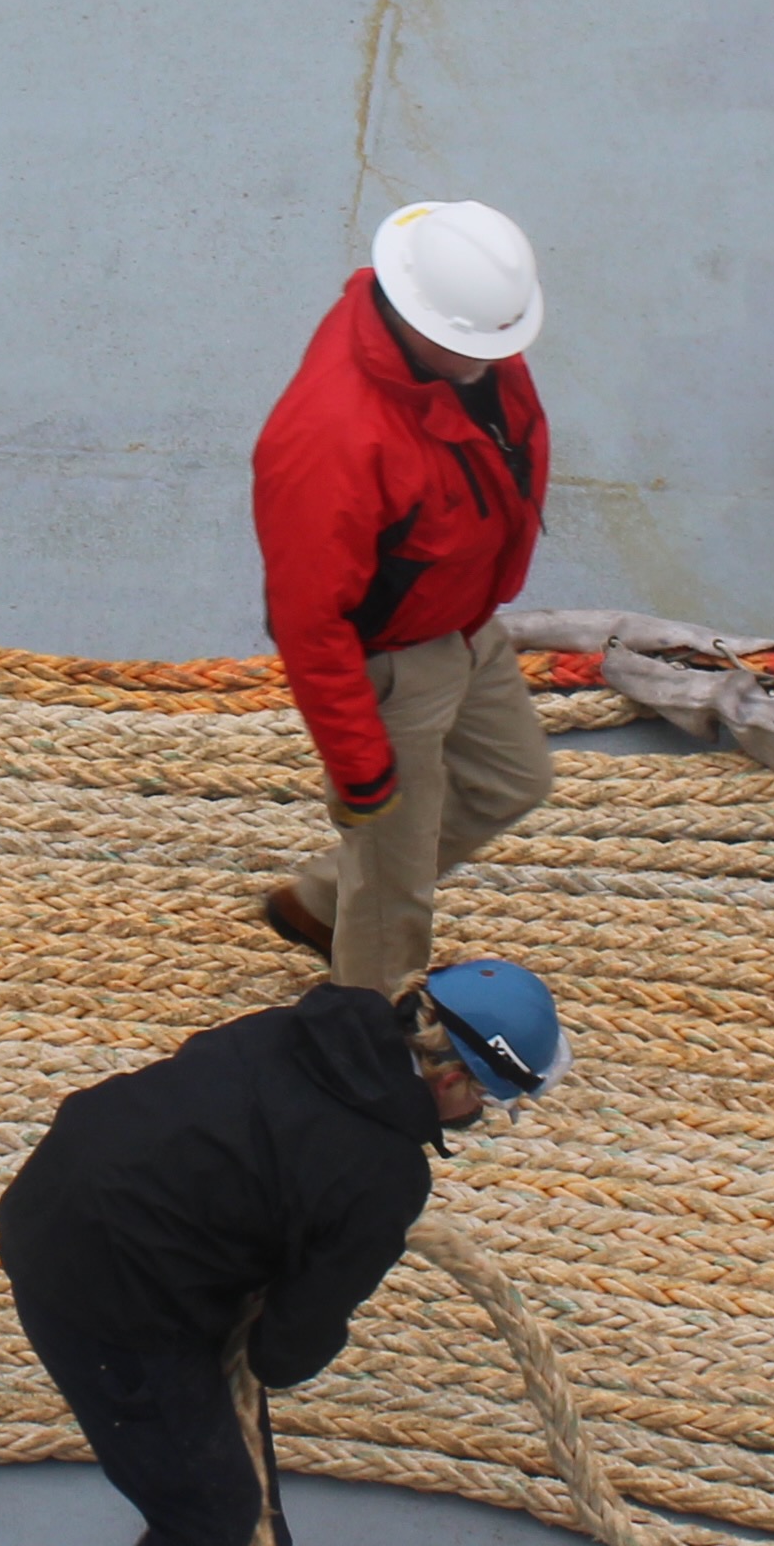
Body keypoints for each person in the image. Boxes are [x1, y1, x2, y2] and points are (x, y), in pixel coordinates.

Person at [0, 960, 563, 1546]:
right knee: (208, 1509)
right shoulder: (381, 1175)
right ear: (453, 1080)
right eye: (492, 1101)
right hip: (100, 1293)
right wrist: (271, 1299)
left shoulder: (310, 1027)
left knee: (227, 1416)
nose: (484, 1115)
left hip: (69, 1197)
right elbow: (286, 1348)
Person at [247, 200, 553, 990]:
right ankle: (365, 1033)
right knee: (395, 882)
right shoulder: (331, 440)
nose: (488, 361)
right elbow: (308, 622)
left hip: (462, 624)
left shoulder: (463, 352)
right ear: (415, 313)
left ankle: (319, 902)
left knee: (514, 781)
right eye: (469, 344)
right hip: (392, 668)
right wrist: (361, 770)